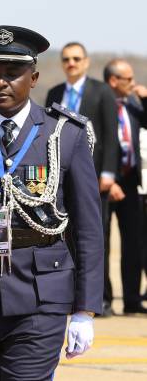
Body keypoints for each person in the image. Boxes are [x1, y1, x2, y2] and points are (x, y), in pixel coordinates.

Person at [0, 26, 104, 380]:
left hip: (43, 293)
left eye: (12, 73)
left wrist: (85, 309)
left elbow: (88, 229)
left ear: (34, 77)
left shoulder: (64, 135)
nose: (0, 82)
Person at [45, 42, 118, 316]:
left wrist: (109, 173)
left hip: (95, 179)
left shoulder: (102, 92)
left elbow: (111, 137)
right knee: (65, 235)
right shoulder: (54, 93)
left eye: (76, 59)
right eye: (66, 59)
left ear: (86, 62)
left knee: (97, 236)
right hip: (59, 181)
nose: (71, 63)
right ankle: (69, 292)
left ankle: (103, 297)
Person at [103, 59, 147, 315]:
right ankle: (104, 300)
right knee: (103, 243)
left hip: (131, 183)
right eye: (128, 79)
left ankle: (131, 299)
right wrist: (110, 179)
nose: (132, 83)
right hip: (106, 183)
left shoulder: (132, 105)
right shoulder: (101, 103)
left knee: (134, 243)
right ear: (113, 81)